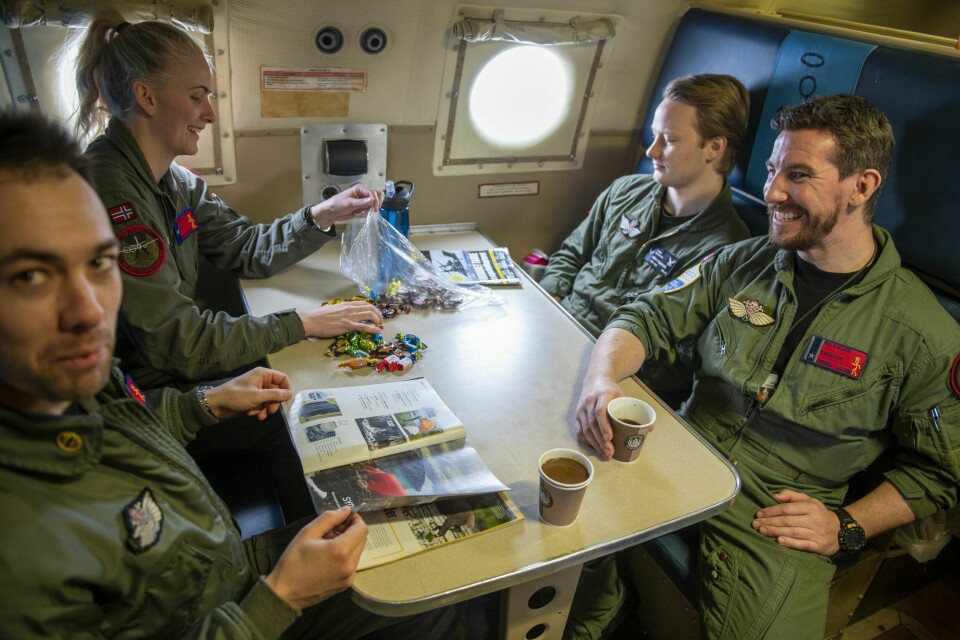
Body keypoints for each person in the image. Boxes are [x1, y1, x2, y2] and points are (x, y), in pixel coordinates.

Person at [0, 110, 460, 639]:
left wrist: (206, 403)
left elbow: (132, 421)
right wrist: (280, 598)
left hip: (217, 566)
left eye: (99, 264)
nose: (89, 312)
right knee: (424, 604)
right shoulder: (18, 556)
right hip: (234, 610)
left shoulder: (79, 379)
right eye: (32, 276)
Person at [572, 94, 960, 639]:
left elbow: (941, 473)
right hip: (681, 445)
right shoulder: (744, 260)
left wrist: (846, 527)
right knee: (567, 546)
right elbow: (645, 316)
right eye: (774, 170)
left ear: (863, 186)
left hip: (776, 509)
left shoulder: (923, 334)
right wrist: (602, 379)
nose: (774, 192)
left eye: (798, 175)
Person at [74, 10, 386, 521]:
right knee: (301, 412)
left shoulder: (173, 179)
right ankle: (306, 550)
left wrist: (320, 216)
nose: (209, 114)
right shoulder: (112, 195)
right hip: (148, 403)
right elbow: (177, 342)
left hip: (175, 378)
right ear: (147, 98)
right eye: (197, 97)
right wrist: (301, 324)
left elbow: (245, 247)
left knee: (297, 386)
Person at [539, 74, 752, 405]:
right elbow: (570, 255)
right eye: (654, 136)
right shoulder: (625, 190)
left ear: (714, 147)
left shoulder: (726, 250)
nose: (651, 150)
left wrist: (602, 368)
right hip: (557, 329)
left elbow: (682, 360)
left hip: (617, 375)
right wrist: (548, 303)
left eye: (668, 140)